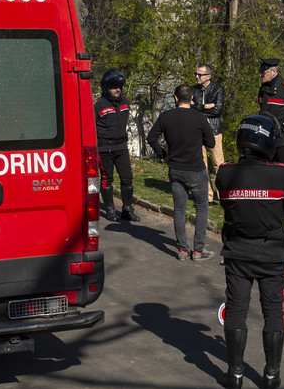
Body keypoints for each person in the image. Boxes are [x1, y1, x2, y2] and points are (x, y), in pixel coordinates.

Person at [215, 114, 284, 389]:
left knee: (236, 311)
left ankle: (235, 374)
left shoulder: (225, 173)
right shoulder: (281, 173)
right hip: (272, 253)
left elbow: (226, 207)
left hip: (238, 252)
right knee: (273, 311)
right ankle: (271, 376)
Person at [146, 84, 216, 260]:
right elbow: (211, 143)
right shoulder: (199, 117)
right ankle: (198, 250)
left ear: (176, 98)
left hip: (176, 169)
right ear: (191, 99)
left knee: (179, 210)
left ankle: (183, 250)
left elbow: (151, 138)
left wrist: (163, 155)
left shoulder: (166, 116)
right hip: (196, 170)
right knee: (201, 208)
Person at [94, 69, 138, 223]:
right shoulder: (98, 105)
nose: (117, 89)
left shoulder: (125, 102)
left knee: (127, 178)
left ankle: (127, 209)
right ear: (106, 88)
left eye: (119, 86)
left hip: (121, 147)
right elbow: (90, 128)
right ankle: (110, 210)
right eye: (113, 86)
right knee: (107, 179)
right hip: (104, 149)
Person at [191, 63, 225, 202]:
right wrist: (205, 106)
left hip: (214, 131)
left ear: (208, 76)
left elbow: (218, 110)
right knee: (202, 164)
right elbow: (188, 108)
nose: (197, 77)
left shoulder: (218, 89)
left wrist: (198, 109)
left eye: (200, 74)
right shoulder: (193, 90)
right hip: (198, 132)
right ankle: (208, 196)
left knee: (218, 164)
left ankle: (223, 195)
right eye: (196, 74)